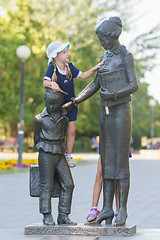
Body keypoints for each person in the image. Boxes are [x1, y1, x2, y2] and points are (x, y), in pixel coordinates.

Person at [63, 17, 138, 226]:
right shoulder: (104, 57)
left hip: (121, 111)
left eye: (103, 38)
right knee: (106, 160)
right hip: (105, 113)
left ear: (112, 36)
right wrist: (74, 101)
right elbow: (95, 84)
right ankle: (106, 208)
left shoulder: (125, 56)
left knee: (120, 162)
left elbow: (134, 85)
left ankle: (121, 209)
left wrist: (115, 94)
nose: (101, 42)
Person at [43, 41, 104, 167]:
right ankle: (56, 156)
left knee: (71, 130)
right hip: (58, 106)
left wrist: (95, 68)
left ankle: (68, 155)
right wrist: (52, 84)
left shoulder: (69, 66)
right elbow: (45, 82)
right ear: (55, 56)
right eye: (64, 52)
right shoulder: (52, 68)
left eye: (67, 51)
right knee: (58, 131)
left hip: (71, 105)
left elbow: (83, 76)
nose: (67, 54)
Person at [34, 89, 76, 226]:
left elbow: (64, 135)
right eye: (50, 103)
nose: (52, 106)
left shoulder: (64, 119)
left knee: (68, 183)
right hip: (45, 153)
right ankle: (46, 215)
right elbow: (36, 140)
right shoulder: (39, 119)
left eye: (56, 103)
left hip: (60, 152)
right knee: (46, 185)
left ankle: (63, 215)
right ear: (45, 100)